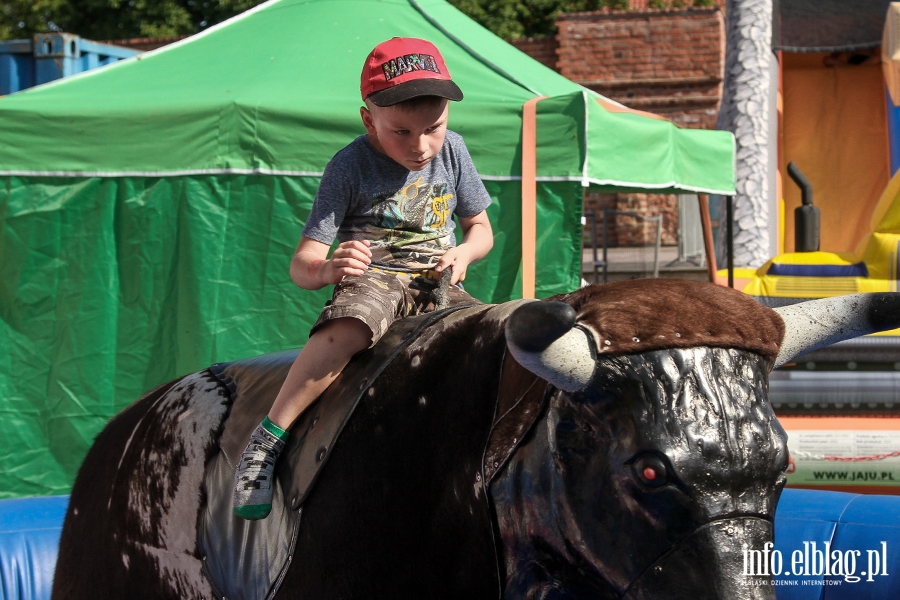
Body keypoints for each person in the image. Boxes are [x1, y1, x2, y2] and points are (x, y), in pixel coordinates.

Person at [233, 37, 494, 519]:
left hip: (437, 278)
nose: (420, 147)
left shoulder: (453, 152)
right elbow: (302, 264)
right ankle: (267, 440)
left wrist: (464, 253)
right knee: (348, 328)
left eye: (433, 128)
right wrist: (330, 268)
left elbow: (481, 229)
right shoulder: (349, 165)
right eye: (401, 132)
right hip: (376, 276)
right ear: (368, 119)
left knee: (488, 336)